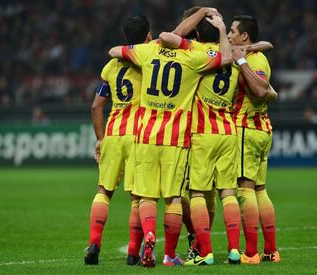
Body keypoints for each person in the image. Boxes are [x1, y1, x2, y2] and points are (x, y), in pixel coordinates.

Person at [108, 14, 232, 267]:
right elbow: (225, 58)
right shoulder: (193, 58)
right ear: (189, 40)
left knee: (146, 196)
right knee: (174, 198)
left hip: (145, 134)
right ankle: (169, 255)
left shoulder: (148, 50)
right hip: (175, 139)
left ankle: (149, 234)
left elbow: (114, 51)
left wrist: (154, 42)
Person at [171, 7, 274, 265]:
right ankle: (234, 250)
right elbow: (264, 49)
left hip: (203, 133)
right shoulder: (236, 57)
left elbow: (171, 36)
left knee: (196, 193)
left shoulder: (195, 53)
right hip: (228, 130)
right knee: (228, 192)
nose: (228, 34)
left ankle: (203, 251)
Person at [84, 15, 152, 266]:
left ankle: (94, 244)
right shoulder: (148, 62)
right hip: (139, 135)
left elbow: (96, 107)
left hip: (113, 134)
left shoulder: (111, 66)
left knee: (103, 191)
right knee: (137, 196)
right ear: (148, 36)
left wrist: (101, 139)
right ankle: (134, 252)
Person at [229, 15, 280, 264]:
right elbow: (267, 44)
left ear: (244, 36)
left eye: (232, 31)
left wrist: (241, 59)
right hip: (262, 130)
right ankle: (271, 250)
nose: (229, 36)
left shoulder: (249, 60)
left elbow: (260, 91)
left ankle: (251, 253)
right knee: (260, 190)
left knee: (244, 188)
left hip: (246, 129)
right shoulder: (259, 55)